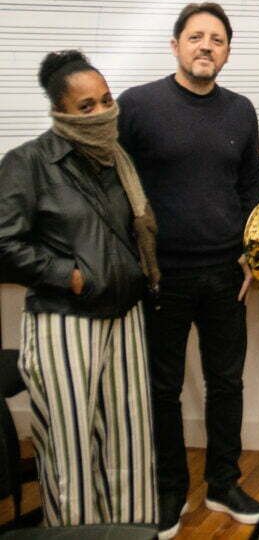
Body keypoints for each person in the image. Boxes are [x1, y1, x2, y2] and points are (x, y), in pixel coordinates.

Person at [118, 3, 259, 537]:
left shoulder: (241, 110)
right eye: (196, 36)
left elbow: (251, 188)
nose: (206, 46)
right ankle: (170, 491)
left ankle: (223, 483)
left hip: (226, 273)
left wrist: (254, 252)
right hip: (162, 276)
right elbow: (115, 187)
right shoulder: (137, 105)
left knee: (227, 383)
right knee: (162, 389)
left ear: (227, 52)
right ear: (175, 45)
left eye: (217, 39)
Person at [0, 51, 158, 526]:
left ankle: (130, 534)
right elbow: (4, 242)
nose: (102, 112)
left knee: (129, 444)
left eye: (107, 100)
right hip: (64, 320)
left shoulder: (118, 160)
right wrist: (69, 276)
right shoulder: (28, 162)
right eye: (87, 106)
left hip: (125, 316)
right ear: (61, 111)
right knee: (69, 451)